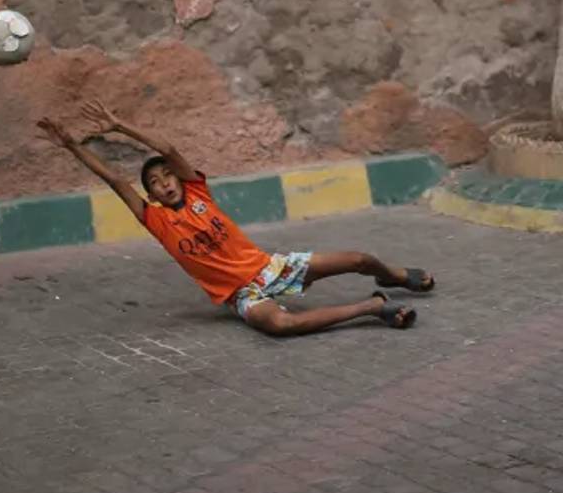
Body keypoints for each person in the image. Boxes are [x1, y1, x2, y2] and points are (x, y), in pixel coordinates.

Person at [37, 98, 430, 334]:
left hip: (271, 268)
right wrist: (71, 144)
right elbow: (113, 179)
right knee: (280, 326)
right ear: (151, 194)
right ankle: (372, 308)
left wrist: (121, 126)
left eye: (167, 176)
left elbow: (169, 147)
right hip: (242, 295)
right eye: (154, 183)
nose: (164, 184)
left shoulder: (196, 191)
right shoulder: (155, 220)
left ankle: (392, 276)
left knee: (359, 259)